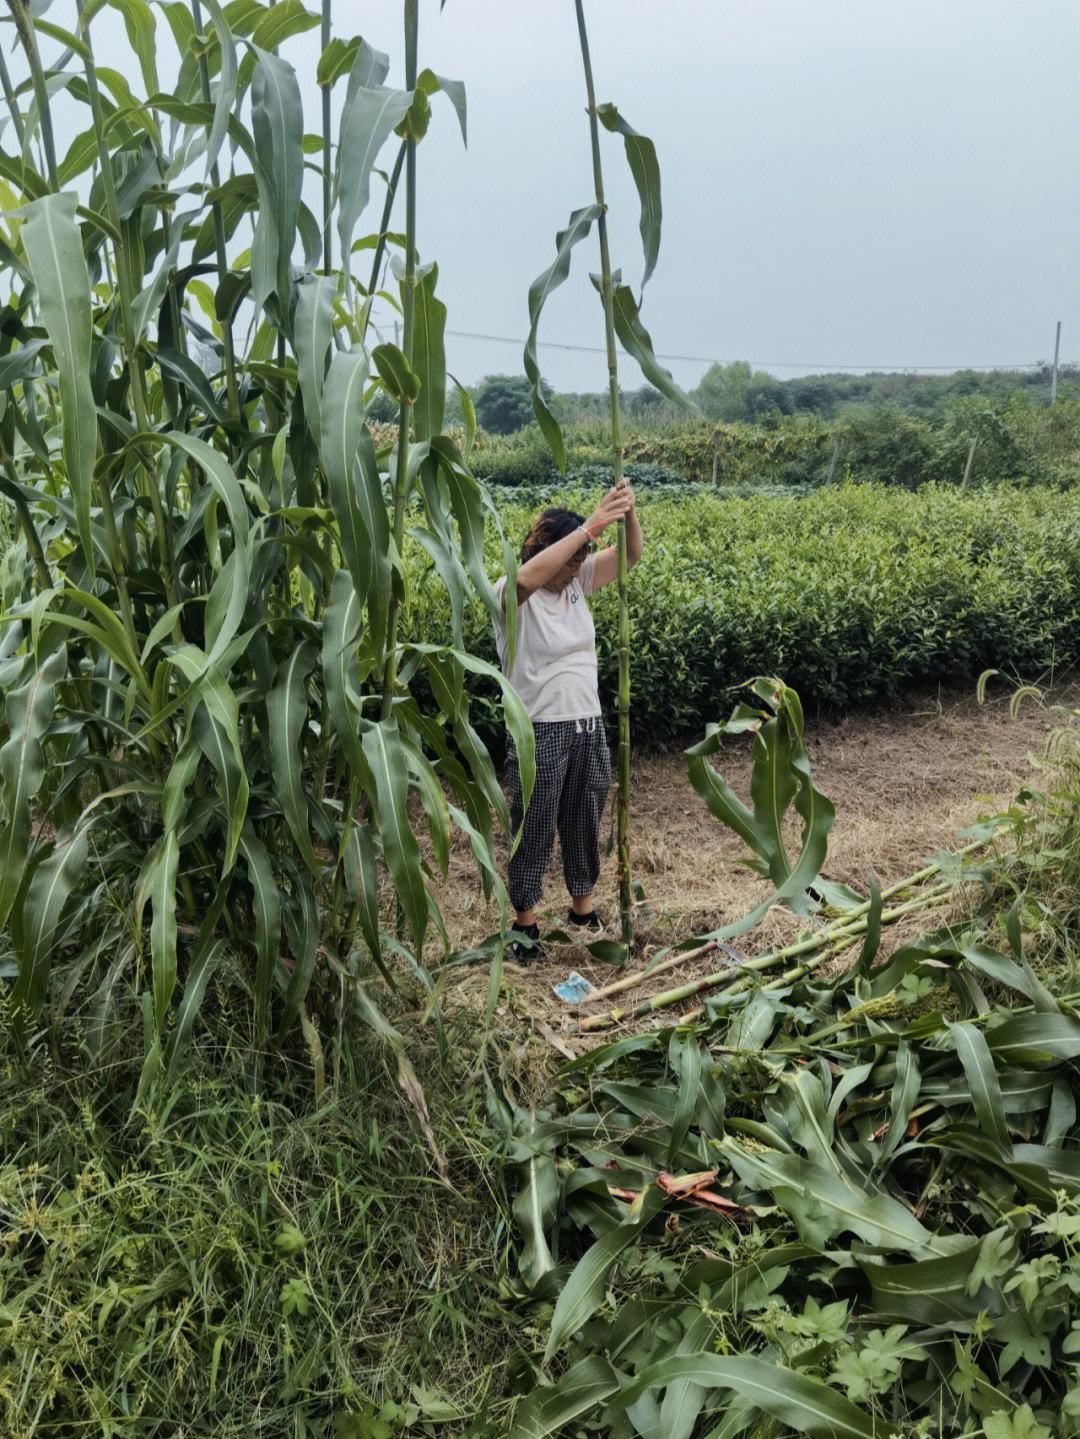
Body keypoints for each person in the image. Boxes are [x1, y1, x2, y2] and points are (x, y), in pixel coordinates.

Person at [493, 482, 641, 962]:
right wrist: (588, 528)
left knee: (583, 817)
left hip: (587, 723)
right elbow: (524, 580)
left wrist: (627, 515)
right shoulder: (512, 595)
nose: (577, 570)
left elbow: (631, 555)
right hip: (539, 729)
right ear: (548, 548)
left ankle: (582, 907)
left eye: (582, 560)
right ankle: (525, 924)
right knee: (534, 823)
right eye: (572, 556)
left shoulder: (576, 583)